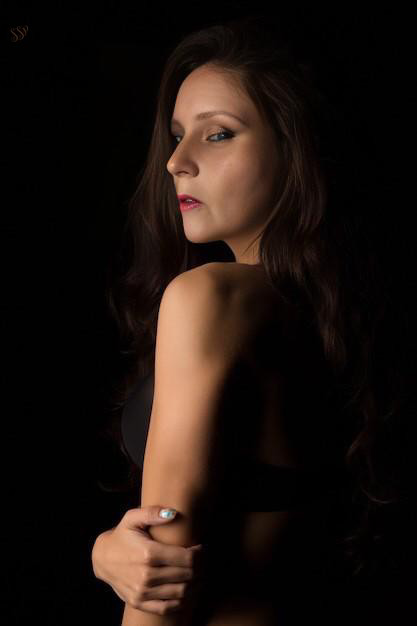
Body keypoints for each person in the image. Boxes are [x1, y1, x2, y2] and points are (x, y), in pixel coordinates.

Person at [91, 14, 414, 626]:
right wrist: (106, 551)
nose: (176, 162)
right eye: (177, 136)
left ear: (296, 149)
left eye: (218, 134)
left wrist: (117, 557)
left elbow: (161, 587)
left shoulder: (208, 299)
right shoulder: (336, 318)